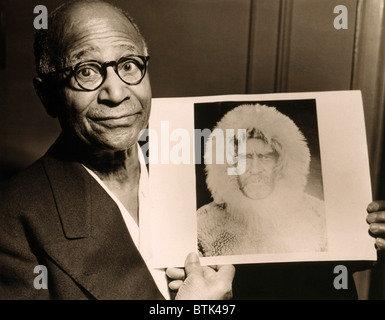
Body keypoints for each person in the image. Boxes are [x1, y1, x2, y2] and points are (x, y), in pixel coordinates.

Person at [0, 0, 234, 300]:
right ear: (47, 95)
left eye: (128, 65)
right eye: (86, 72)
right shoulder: (12, 220)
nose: (117, 93)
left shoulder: (202, 170)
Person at [197, 104, 327, 256]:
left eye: (265, 157)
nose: (255, 168)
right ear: (229, 165)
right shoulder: (204, 224)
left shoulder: (318, 216)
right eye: (245, 158)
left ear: (282, 163)